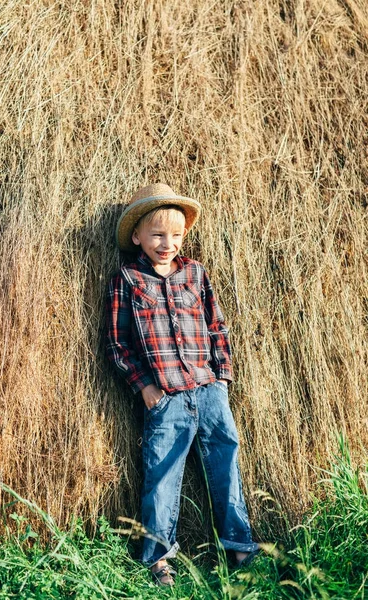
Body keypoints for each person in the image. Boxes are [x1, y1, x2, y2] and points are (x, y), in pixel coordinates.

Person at [106, 183, 259, 587]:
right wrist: (144, 387)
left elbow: (216, 326)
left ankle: (239, 543)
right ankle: (158, 557)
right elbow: (118, 343)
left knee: (226, 461)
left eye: (175, 235)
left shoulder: (195, 274)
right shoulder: (127, 279)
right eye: (157, 235)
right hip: (166, 396)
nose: (166, 243)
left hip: (208, 388)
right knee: (162, 473)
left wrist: (222, 376)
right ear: (137, 236)